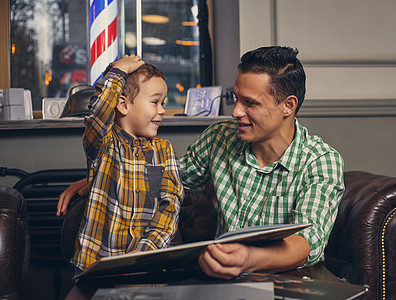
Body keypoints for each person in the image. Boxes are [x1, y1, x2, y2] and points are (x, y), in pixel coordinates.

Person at [58, 46, 344, 281]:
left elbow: (307, 242)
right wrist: (101, 176)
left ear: (288, 105)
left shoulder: (321, 161)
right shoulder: (221, 138)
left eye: (250, 103)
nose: (235, 112)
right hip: (223, 280)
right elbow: (167, 178)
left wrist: (248, 258)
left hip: (288, 281)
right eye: (235, 99)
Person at [57, 54, 184, 279]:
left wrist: (144, 252)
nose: (162, 110)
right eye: (155, 102)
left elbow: (170, 207)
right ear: (123, 104)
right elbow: (98, 115)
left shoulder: (165, 151)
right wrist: (118, 70)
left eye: (163, 103)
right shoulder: (104, 144)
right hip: (94, 266)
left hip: (146, 266)